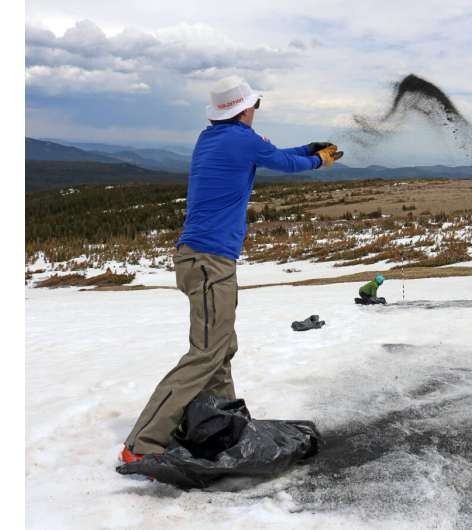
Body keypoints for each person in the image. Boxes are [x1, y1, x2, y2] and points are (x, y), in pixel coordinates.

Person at [120, 76, 343, 463]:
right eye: (254, 104)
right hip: (208, 261)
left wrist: (308, 147)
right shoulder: (241, 139)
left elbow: (271, 153)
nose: (255, 111)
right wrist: (316, 159)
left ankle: (220, 422)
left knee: (221, 347)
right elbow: (285, 163)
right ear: (244, 108)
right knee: (206, 352)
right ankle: (142, 443)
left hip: (206, 260)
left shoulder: (214, 138)